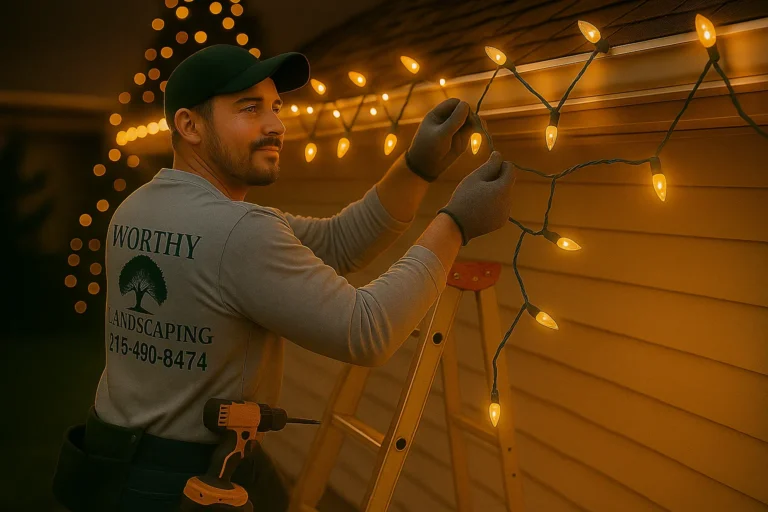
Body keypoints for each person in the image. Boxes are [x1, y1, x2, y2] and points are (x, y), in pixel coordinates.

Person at [52, 44, 516, 512]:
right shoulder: (239, 232)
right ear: (190, 126)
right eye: (249, 108)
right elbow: (367, 329)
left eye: (275, 107)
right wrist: (455, 224)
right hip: (182, 485)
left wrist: (417, 167)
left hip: (108, 465)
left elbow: (338, 241)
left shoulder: (136, 208)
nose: (276, 125)